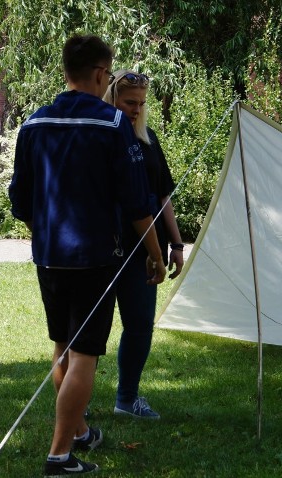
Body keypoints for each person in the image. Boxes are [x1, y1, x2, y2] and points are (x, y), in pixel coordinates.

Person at [8, 35, 166, 476]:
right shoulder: (114, 123)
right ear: (101, 74)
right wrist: (154, 255)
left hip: (49, 255)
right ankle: (60, 455)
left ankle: (78, 430)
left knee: (62, 347)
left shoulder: (34, 123)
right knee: (84, 356)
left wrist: (48, 232)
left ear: (65, 69)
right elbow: (138, 205)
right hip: (96, 257)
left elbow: (20, 201)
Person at [103, 70, 185, 420]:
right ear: (113, 99)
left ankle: (127, 398)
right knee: (92, 330)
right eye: (128, 102)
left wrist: (177, 244)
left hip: (149, 249)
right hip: (106, 247)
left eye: (141, 103)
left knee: (139, 325)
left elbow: (163, 194)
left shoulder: (148, 139)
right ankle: (77, 406)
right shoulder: (101, 139)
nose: (136, 109)